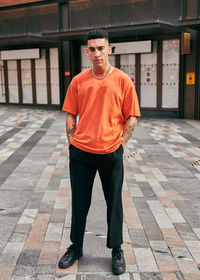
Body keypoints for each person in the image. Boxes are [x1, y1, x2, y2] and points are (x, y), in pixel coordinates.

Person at [58, 29, 141, 275]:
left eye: (101, 48)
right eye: (92, 49)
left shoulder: (123, 80)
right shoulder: (78, 81)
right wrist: (72, 142)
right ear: (87, 52)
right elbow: (70, 113)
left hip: (111, 153)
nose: (97, 53)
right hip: (81, 153)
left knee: (114, 202)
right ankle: (76, 247)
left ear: (109, 49)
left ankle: (117, 249)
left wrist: (121, 145)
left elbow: (132, 118)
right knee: (80, 202)